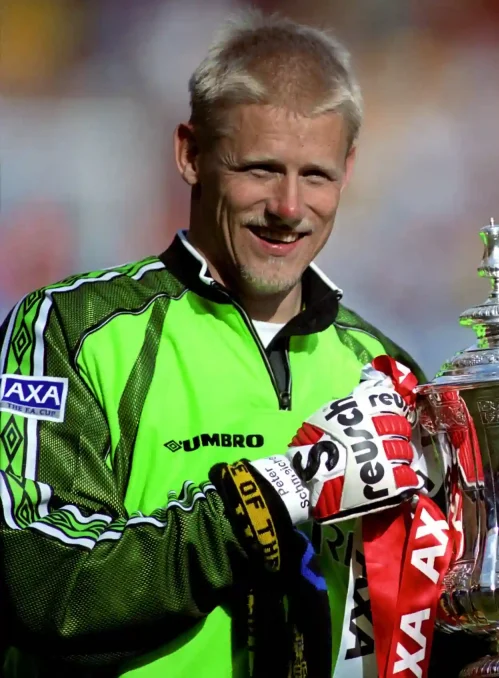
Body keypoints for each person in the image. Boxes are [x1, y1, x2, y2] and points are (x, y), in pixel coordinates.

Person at [0, 11, 434, 677]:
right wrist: (263, 499)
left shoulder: (385, 370)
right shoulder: (68, 328)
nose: (289, 207)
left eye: (315, 175)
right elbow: (43, 583)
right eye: (260, 169)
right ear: (190, 153)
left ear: (349, 168)